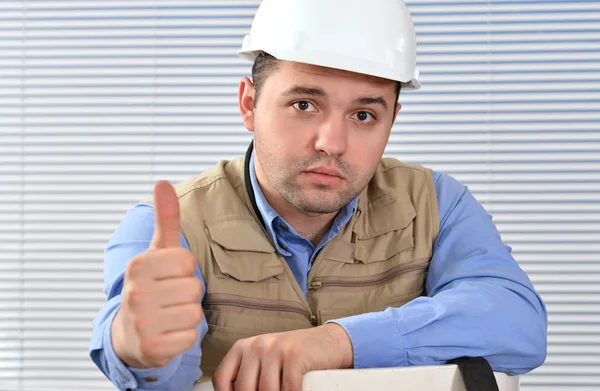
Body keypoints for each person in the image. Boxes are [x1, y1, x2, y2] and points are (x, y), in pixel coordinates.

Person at [89, 0, 548, 390]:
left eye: (364, 115)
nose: (333, 142)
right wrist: (138, 345)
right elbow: (159, 367)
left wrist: (336, 343)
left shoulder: (439, 204)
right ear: (249, 104)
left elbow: (516, 323)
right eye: (304, 105)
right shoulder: (168, 227)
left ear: (392, 120)